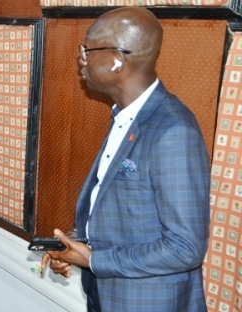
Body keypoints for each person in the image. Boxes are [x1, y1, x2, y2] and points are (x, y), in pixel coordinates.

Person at [40, 7, 210, 312]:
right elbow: (128, 216)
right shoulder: (126, 117)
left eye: (87, 49)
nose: (81, 58)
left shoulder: (172, 130)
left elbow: (186, 249)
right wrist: (74, 247)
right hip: (107, 295)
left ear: (117, 59)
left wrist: (92, 259)